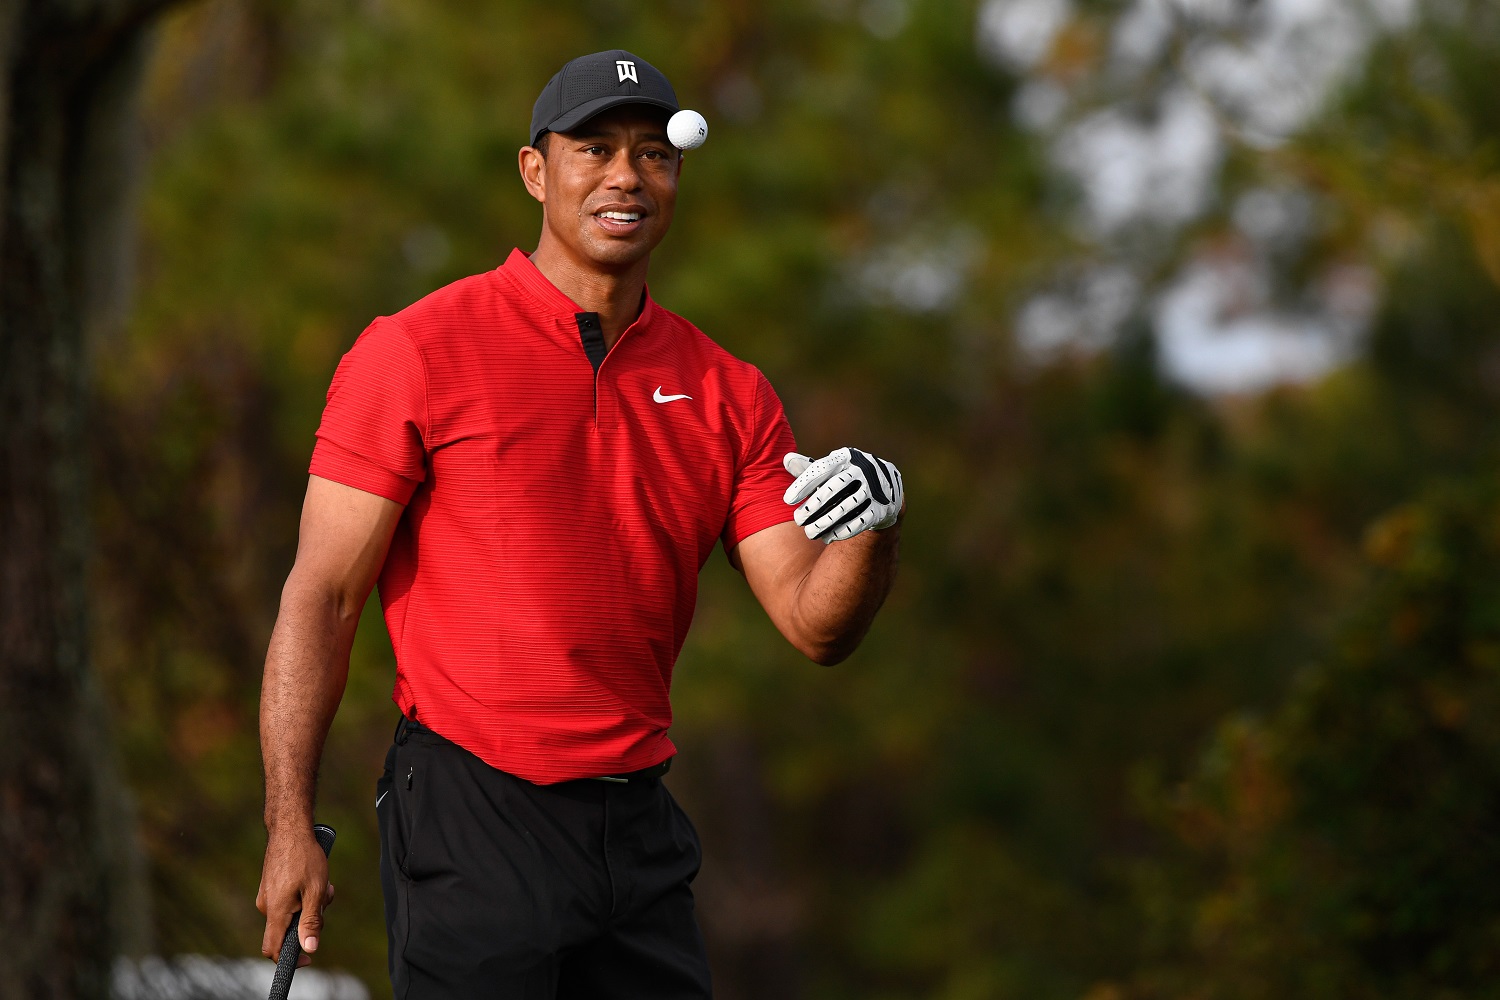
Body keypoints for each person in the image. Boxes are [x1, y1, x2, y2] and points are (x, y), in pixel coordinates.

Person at [256, 49, 905, 999]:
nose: (624, 178)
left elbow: (815, 624)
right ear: (535, 171)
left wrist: (873, 531)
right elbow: (322, 596)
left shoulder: (732, 392)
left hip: (636, 830)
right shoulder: (416, 350)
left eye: (652, 154)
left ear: (677, 175)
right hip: (474, 808)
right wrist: (287, 827)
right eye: (593, 149)